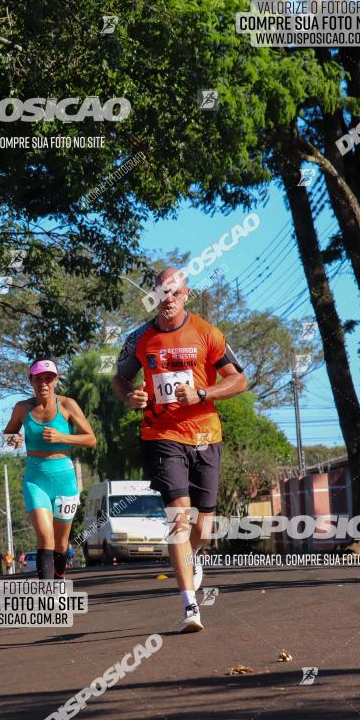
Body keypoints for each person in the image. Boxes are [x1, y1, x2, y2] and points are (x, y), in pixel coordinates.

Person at [113, 268, 247, 633]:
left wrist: (204, 393)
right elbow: (120, 378)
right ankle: (190, 606)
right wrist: (131, 396)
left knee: (204, 527)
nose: (168, 299)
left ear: (186, 294)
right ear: (154, 297)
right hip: (161, 435)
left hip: (205, 436)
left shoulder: (208, 333)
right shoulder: (139, 338)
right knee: (179, 517)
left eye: (174, 293)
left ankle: (193, 554)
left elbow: (239, 378)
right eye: (161, 293)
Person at [3, 359, 96, 579]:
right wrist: (13, 440)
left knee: (61, 543)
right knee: (45, 537)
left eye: (48, 378)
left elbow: (91, 439)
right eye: (38, 379)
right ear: (31, 381)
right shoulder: (22, 408)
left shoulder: (67, 405)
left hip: (64, 479)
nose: (43, 383)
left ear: (55, 380)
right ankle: (47, 595)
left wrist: (62, 436)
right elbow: (8, 436)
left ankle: (59, 578)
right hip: (36, 479)